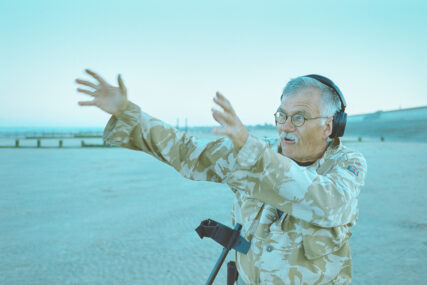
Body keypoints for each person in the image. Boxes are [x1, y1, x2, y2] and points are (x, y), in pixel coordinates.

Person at [75, 69, 367, 285]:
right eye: (282, 115)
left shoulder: (346, 164)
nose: (286, 127)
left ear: (329, 126)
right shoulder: (254, 151)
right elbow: (186, 151)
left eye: (299, 117)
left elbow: (327, 202)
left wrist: (252, 153)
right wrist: (129, 114)